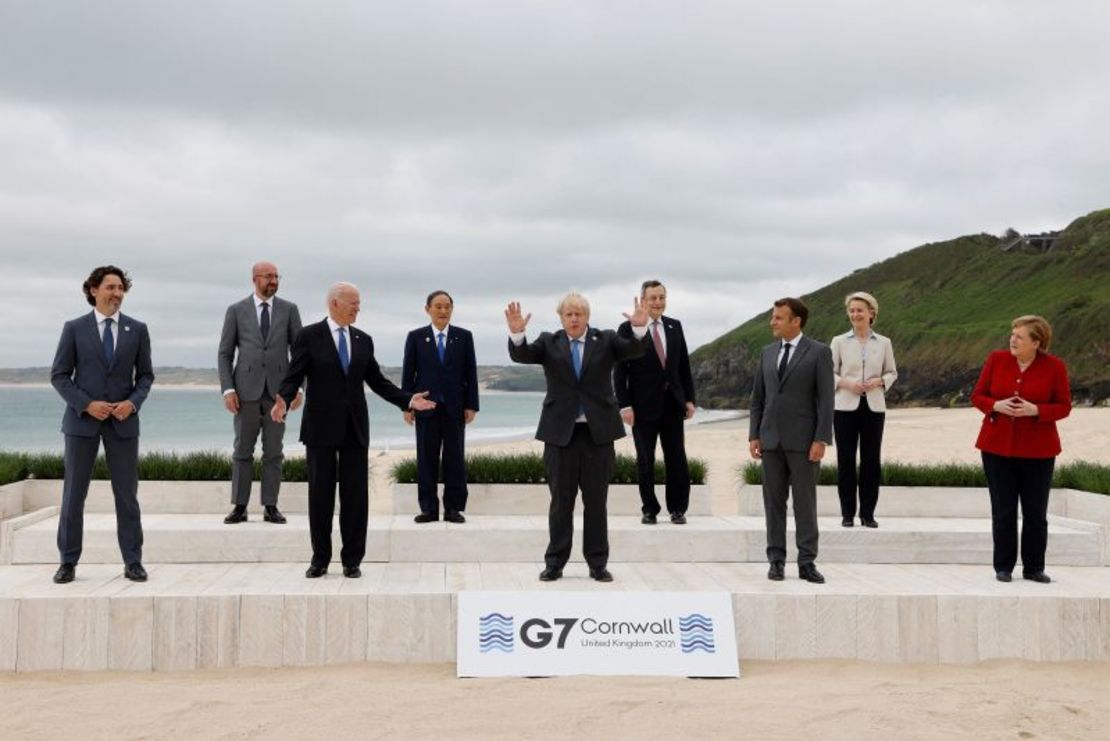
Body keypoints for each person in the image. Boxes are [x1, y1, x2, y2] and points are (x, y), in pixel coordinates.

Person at [271, 282, 436, 579]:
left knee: (355, 498)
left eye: (358, 303)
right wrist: (283, 398)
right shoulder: (309, 336)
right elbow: (293, 374)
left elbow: (378, 381)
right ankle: (320, 559)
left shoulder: (363, 340)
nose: (358, 308)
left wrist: (408, 400)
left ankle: (352, 560)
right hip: (320, 428)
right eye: (353, 303)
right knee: (320, 497)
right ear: (335, 303)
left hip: (355, 428)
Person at [506, 293, 649, 583]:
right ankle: (555, 563)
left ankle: (597, 564)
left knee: (596, 502)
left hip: (598, 434)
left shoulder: (606, 340)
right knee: (561, 502)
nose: (574, 319)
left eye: (579, 314)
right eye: (569, 314)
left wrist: (639, 329)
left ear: (587, 317)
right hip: (560, 436)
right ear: (561, 318)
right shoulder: (549, 342)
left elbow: (634, 350)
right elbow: (522, 355)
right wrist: (518, 333)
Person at [50, 266, 154, 584]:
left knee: (126, 495)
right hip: (82, 424)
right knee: (73, 495)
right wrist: (86, 404)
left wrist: (132, 403)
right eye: (110, 287)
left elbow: (146, 376)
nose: (117, 293)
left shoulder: (137, 329)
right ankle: (68, 562)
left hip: (123, 424)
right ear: (93, 290)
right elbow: (59, 376)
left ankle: (133, 561)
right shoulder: (74, 329)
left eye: (121, 288)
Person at [971, 315, 1071, 584]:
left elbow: (1064, 406)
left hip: (1039, 451)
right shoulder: (996, 359)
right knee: (1003, 511)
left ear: (1036, 342)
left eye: (1019, 336)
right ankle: (1003, 567)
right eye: (1012, 334)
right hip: (996, 448)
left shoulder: (1055, 367)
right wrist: (996, 405)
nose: (1012, 339)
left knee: (1035, 513)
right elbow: (978, 396)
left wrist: (1036, 410)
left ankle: (1034, 568)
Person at [748, 297, 834, 584]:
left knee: (805, 504)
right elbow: (758, 398)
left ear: (796, 321)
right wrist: (754, 434)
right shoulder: (767, 352)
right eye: (773, 317)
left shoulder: (819, 352)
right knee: (773, 504)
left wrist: (821, 438)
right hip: (770, 441)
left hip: (804, 442)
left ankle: (807, 562)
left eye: (778, 318)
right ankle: (776, 561)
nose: (772, 322)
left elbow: (826, 400)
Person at [217, 261, 303, 525]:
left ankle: (271, 506)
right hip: (245, 393)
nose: (273, 281)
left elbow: (299, 353)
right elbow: (225, 353)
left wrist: (298, 388)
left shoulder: (289, 310)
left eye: (277, 276)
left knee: (274, 452)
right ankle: (240, 507)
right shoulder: (236, 310)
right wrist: (228, 389)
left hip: (279, 394)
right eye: (268, 276)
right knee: (242, 451)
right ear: (255, 279)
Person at [613, 280, 697, 525]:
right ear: (643, 300)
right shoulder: (627, 328)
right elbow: (619, 371)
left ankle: (677, 508)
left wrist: (690, 399)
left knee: (677, 458)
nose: (658, 302)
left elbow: (683, 366)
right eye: (653, 298)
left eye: (661, 297)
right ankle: (649, 508)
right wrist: (624, 405)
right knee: (645, 459)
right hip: (642, 407)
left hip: (673, 404)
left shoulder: (674, 326)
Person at [401, 290, 479, 524]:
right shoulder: (416, 337)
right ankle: (429, 509)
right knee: (426, 457)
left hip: (455, 407)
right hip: (426, 407)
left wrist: (471, 405)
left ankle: (454, 508)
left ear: (452, 309)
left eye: (447, 306)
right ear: (428, 309)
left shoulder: (464, 337)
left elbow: (471, 373)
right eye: (438, 306)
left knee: (455, 458)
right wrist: (407, 404)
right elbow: (408, 372)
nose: (443, 311)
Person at [829, 291, 898, 528]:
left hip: (874, 407)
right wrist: (848, 383)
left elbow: (892, 372)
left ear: (871, 313)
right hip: (844, 407)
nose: (855, 314)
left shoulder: (884, 342)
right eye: (852, 310)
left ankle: (867, 514)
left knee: (871, 460)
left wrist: (879, 382)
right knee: (846, 460)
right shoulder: (839, 341)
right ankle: (847, 514)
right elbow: (829, 372)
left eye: (860, 310)